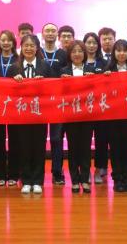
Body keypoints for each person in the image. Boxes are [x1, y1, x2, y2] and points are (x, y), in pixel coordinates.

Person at [13, 34, 52, 194]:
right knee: (24, 147)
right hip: (21, 115)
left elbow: (53, 88)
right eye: (26, 46)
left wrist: (44, 83)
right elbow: (6, 91)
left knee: (38, 147)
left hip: (40, 114)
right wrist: (13, 81)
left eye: (32, 46)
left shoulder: (45, 66)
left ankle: (37, 181)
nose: (28, 48)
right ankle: (26, 180)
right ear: (21, 48)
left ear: (37, 48)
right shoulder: (14, 67)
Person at [60, 40, 95, 194]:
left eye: (80, 51)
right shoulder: (63, 71)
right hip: (70, 116)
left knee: (86, 148)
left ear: (84, 54)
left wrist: (93, 79)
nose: (77, 54)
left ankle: (85, 179)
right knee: (73, 148)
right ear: (69, 54)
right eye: (74, 51)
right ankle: (74, 180)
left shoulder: (91, 70)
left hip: (87, 115)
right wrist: (62, 81)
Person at [103, 39, 127, 192]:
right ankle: (117, 178)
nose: (121, 53)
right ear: (114, 53)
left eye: (124, 50)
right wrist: (105, 78)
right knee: (115, 147)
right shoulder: (107, 69)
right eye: (118, 50)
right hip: (112, 116)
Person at [40, 23, 67, 185]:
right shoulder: (37, 52)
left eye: (53, 31)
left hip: (58, 102)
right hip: (39, 102)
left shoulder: (63, 54)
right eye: (47, 31)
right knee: (38, 138)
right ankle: (37, 173)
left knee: (57, 138)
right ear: (42, 34)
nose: (50, 33)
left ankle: (57, 172)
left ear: (57, 35)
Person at [0, 30, 20, 187]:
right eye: (3, 40)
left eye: (8, 40)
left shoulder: (19, 60)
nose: (5, 43)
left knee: (16, 140)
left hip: (15, 105)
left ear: (13, 43)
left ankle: (15, 173)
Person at [94, 27, 116, 183]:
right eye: (104, 39)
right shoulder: (95, 59)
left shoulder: (120, 56)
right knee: (100, 139)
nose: (107, 41)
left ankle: (117, 168)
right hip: (99, 106)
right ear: (100, 41)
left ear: (114, 39)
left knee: (116, 140)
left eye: (110, 38)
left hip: (117, 106)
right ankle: (100, 167)